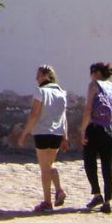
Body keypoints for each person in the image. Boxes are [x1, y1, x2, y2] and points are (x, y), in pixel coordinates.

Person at [17, 64, 69, 213]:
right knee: (49, 164)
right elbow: (64, 117)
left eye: (38, 75)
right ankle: (58, 190)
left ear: (46, 76)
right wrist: (65, 137)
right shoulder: (61, 93)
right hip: (57, 134)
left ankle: (47, 201)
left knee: (44, 168)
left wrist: (24, 133)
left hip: (42, 133)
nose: (36, 78)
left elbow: (34, 114)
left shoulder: (40, 92)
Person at [79, 62, 112, 213]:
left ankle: (97, 193)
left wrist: (83, 129)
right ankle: (108, 200)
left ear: (96, 73)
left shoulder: (94, 85)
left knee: (89, 161)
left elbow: (88, 108)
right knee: (107, 165)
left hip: (96, 128)